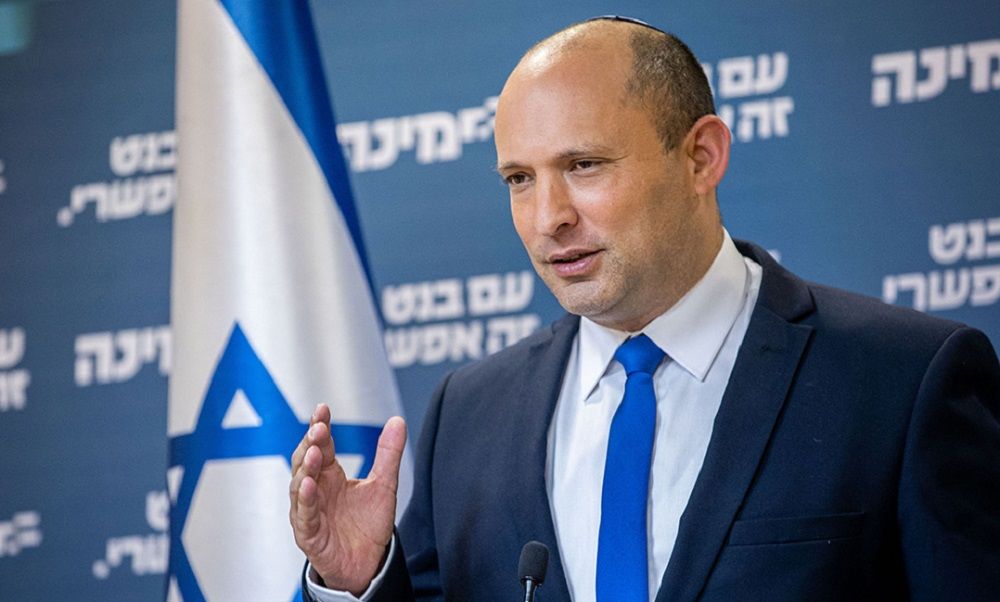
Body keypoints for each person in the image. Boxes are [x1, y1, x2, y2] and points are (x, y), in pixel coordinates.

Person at [289, 16, 1000, 601]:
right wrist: (357, 582)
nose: (548, 217)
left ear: (701, 157)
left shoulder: (902, 380)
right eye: (519, 179)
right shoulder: (469, 414)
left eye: (583, 166)